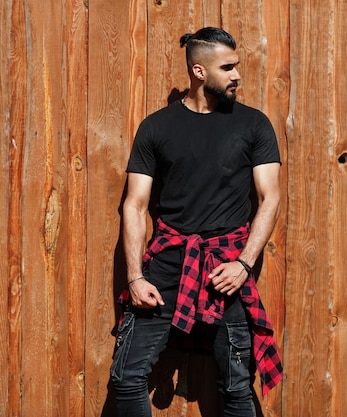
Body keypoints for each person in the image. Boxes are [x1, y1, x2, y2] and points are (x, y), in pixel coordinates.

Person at [109, 27, 283, 417]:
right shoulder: (157, 127)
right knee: (126, 376)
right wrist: (136, 277)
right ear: (199, 72)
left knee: (237, 387)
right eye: (228, 68)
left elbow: (270, 198)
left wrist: (243, 264)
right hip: (167, 267)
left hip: (227, 268)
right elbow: (135, 206)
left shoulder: (254, 125)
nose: (237, 75)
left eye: (236, 66)